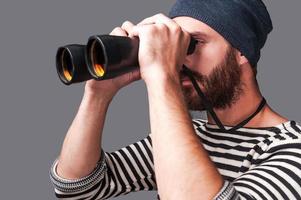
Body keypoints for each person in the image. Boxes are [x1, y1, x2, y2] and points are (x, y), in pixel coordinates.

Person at [49, 0, 301, 199]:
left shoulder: (291, 147)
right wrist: (97, 94)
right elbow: (77, 187)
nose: (179, 60)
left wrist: (161, 76)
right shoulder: (189, 134)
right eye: (175, 46)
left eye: (191, 44)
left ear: (241, 53)